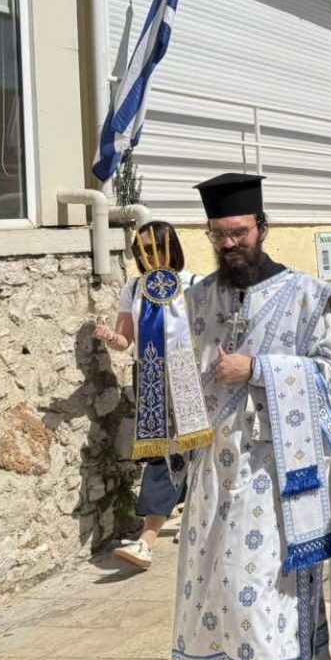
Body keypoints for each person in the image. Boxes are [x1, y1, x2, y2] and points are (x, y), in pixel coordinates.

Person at [175, 174, 331, 660]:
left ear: (262, 229)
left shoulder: (306, 296)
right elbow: (174, 362)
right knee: (212, 590)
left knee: (258, 595)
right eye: (218, 234)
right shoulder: (196, 298)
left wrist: (258, 369)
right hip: (213, 472)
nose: (229, 244)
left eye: (239, 232)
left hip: (275, 474)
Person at [94, 221, 198, 572]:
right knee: (160, 453)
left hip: (189, 377)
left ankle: (194, 517)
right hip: (151, 375)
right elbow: (126, 341)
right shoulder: (134, 289)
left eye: (154, 246)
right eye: (141, 248)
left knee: (196, 450)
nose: (147, 254)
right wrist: (111, 337)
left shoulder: (194, 285)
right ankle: (147, 539)